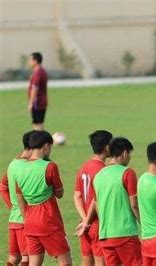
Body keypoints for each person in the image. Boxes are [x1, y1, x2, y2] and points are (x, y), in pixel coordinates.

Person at [77, 137, 142, 265]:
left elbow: (95, 203)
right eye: (129, 155)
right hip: (125, 234)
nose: (129, 158)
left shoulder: (99, 175)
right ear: (124, 153)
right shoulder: (127, 173)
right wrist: (144, 224)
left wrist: (87, 222)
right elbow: (134, 205)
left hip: (105, 236)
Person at [15, 130, 72, 265]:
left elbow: (20, 197)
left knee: (34, 263)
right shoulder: (49, 166)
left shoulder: (20, 168)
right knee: (66, 262)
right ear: (46, 146)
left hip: (30, 221)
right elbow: (60, 193)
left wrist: (27, 218)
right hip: (48, 220)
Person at [73, 130, 113, 266]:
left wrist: (84, 219)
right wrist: (88, 221)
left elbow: (77, 195)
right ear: (107, 147)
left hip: (84, 225)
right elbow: (96, 200)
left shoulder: (83, 166)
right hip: (97, 224)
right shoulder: (103, 170)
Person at [0, 131, 35, 266]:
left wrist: (12, 206)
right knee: (27, 258)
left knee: (14, 258)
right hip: (24, 220)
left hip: (13, 220)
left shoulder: (13, 164)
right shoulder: (26, 168)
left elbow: (2, 186)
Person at [28, 52, 48, 130]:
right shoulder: (42, 71)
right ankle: (42, 141)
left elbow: (35, 88)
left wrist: (31, 103)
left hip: (37, 102)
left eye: (30, 59)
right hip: (42, 101)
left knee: (37, 124)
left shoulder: (38, 72)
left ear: (35, 61)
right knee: (39, 123)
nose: (29, 62)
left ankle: (39, 141)